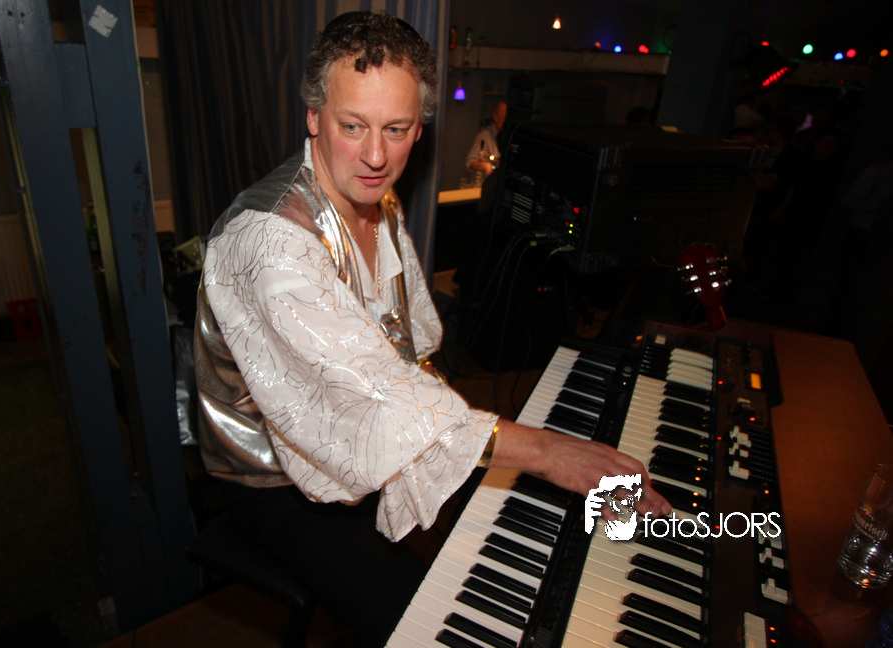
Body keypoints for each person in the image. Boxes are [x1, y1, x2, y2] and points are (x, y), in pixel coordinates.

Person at [194, 11, 669, 646]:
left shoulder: (376, 199)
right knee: (424, 625)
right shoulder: (268, 242)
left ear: (419, 128)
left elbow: (401, 356)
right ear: (313, 117)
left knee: (526, 535)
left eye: (396, 129)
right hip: (275, 476)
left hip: (367, 421)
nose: (375, 156)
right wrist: (549, 452)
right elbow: (367, 398)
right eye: (352, 126)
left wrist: (505, 441)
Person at [465, 100, 507, 178]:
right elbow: (469, 162)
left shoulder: (508, 137)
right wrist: (485, 165)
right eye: (504, 118)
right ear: (496, 118)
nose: (506, 122)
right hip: (486, 181)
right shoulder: (483, 136)